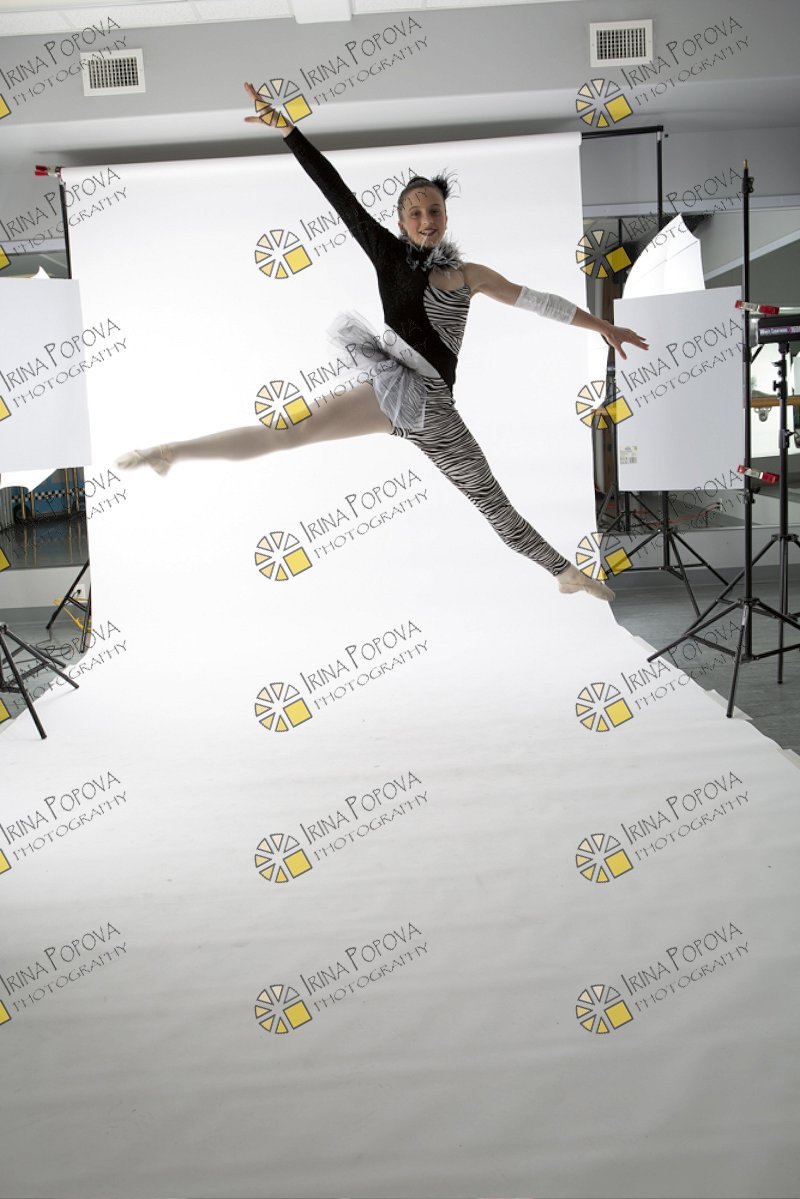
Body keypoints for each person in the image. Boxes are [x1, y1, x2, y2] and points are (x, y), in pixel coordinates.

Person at [119, 81, 649, 600]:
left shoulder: (471, 275)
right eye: (415, 213)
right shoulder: (389, 256)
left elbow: (539, 302)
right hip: (395, 390)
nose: (426, 219)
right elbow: (339, 195)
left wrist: (602, 326)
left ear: (446, 217)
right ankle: (169, 451)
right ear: (400, 222)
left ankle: (562, 572)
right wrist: (289, 132)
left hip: (434, 409)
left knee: (490, 501)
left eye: (434, 211)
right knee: (288, 433)